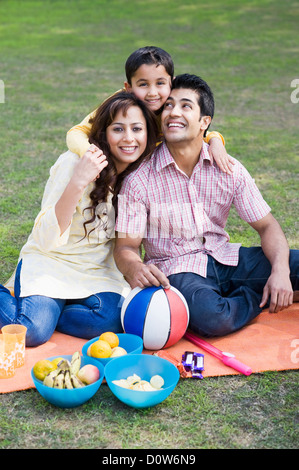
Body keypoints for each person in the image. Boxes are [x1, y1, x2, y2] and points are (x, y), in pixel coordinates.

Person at [114, 74, 299, 337]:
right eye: (168, 105)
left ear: (205, 122)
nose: (173, 112)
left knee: (292, 265)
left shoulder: (228, 168)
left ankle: (270, 285)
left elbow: (267, 225)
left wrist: (280, 271)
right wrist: (135, 267)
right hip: (178, 270)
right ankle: (260, 294)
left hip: (226, 256)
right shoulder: (139, 180)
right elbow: (126, 247)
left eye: (185, 106)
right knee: (213, 318)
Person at [0, 91, 159, 347]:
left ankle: (52, 309)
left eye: (137, 129)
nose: (129, 138)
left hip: (95, 269)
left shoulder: (137, 174)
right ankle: (40, 311)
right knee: (33, 331)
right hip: (52, 261)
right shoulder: (74, 162)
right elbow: (46, 237)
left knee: (113, 321)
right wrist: (78, 180)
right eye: (118, 129)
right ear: (103, 133)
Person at [66, 46, 235, 174]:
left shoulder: (171, 110)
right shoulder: (118, 105)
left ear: (171, 82)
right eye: (143, 84)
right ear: (129, 88)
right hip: (111, 169)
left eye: (160, 83)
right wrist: (89, 153)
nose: (153, 93)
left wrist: (215, 140)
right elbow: (76, 131)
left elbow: (195, 131)